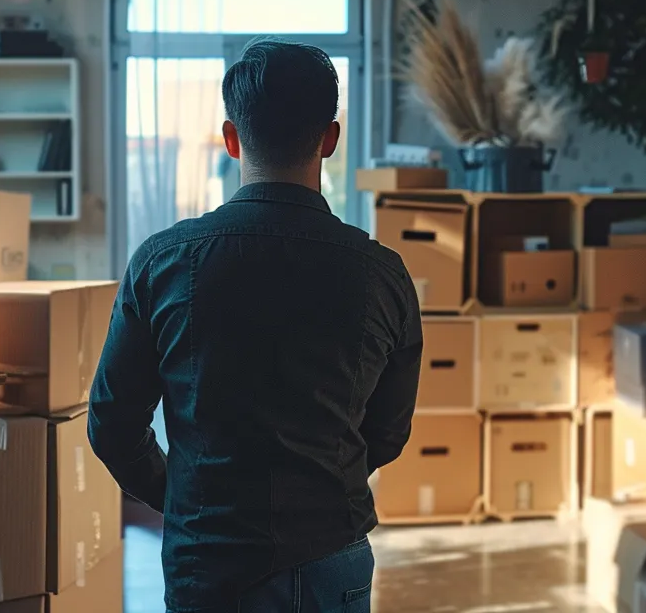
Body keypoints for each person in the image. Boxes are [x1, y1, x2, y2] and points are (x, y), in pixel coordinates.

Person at [88, 39, 423, 613]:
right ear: (330, 140)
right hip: (331, 552)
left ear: (232, 138)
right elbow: (388, 432)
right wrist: (327, 479)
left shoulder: (163, 261)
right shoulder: (382, 273)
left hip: (209, 558)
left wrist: (180, 495)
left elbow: (112, 423)